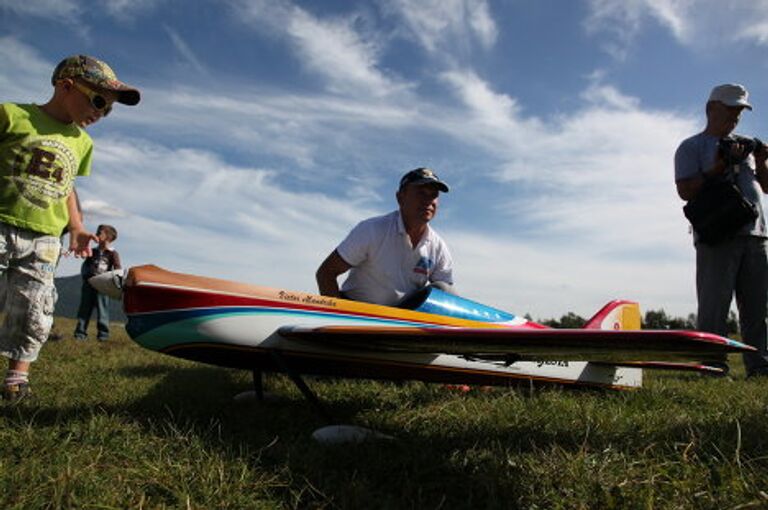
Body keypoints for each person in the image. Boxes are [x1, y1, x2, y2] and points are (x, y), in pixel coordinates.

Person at [0, 55, 140, 401]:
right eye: (97, 101)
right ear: (65, 86)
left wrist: (76, 226)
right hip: (2, 223)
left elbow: (67, 187)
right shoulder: (12, 116)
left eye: (108, 110)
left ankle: (16, 380)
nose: (100, 114)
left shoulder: (83, 143)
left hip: (46, 237)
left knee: (36, 308)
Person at [674, 83, 768, 377]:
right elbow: (685, 191)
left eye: (739, 111)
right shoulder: (691, 147)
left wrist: (762, 160)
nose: (735, 117)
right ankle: (712, 366)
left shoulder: (746, 147)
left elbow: (766, 186)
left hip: (756, 235)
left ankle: (760, 366)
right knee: (714, 307)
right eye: (730, 109)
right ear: (711, 108)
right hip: (717, 235)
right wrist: (716, 170)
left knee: (757, 309)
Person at [316, 167, 454, 306]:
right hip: (357, 313)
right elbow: (326, 273)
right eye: (421, 193)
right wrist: (341, 316)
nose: (428, 200)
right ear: (400, 197)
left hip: (399, 321)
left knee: (444, 289)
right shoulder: (372, 230)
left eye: (433, 195)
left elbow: (447, 297)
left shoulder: (438, 248)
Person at [74, 224, 122, 341]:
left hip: (103, 286)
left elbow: (117, 268)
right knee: (85, 308)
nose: (96, 235)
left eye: (99, 233)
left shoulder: (112, 253)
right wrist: (85, 277)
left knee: (103, 309)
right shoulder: (93, 251)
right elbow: (85, 264)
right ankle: (80, 334)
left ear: (108, 237)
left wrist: (115, 282)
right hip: (89, 284)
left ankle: (103, 335)